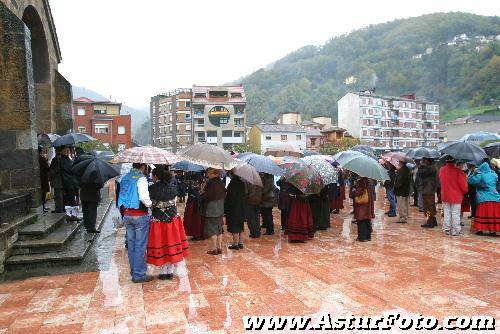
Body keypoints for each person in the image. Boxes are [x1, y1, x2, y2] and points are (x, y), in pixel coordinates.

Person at [147, 167, 189, 280]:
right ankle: (170, 271)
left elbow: (150, 203)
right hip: (172, 219)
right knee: (171, 243)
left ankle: (163, 271)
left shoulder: (152, 188)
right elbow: (173, 203)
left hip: (158, 220)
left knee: (161, 243)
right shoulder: (173, 188)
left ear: (156, 176)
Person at [118, 163, 153, 283]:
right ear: (142, 166)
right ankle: (139, 274)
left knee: (131, 245)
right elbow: (144, 197)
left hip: (127, 214)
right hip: (140, 215)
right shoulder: (141, 178)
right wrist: (151, 205)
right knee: (140, 246)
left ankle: (133, 271)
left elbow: (120, 195)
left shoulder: (125, 177)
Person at [469, 161, 500, 236]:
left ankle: (481, 229)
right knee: (493, 214)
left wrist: (474, 174)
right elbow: (496, 181)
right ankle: (493, 231)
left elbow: (471, 181)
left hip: (484, 197)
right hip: (495, 196)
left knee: (483, 213)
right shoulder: (494, 174)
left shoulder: (481, 175)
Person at [439, 157, 468, 236]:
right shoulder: (459, 172)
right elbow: (464, 188)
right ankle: (455, 230)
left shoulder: (442, 170)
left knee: (447, 212)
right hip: (456, 195)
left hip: (445, 194)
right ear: (455, 161)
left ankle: (446, 229)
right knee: (455, 213)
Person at [200, 168, 226, 255]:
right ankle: (219, 248)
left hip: (211, 209)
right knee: (219, 229)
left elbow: (206, 196)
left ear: (214, 174)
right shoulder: (221, 183)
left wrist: (202, 192)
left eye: (209, 173)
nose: (208, 174)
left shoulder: (210, 183)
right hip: (220, 209)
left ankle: (214, 248)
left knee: (212, 229)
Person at [225, 173, 247, 250]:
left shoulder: (232, 184)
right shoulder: (242, 183)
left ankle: (235, 244)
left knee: (234, 226)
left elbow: (229, 197)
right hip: (241, 207)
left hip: (233, 208)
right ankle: (240, 243)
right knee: (241, 226)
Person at [59, 146, 80, 221]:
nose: (68, 152)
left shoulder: (65, 159)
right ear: (63, 151)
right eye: (67, 150)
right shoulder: (64, 160)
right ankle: (72, 216)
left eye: (68, 150)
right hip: (68, 183)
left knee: (69, 200)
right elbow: (71, 169)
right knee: (71, 200)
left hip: (69, 183)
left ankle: (70, 215)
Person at [351, 177, 375, 242]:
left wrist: (353, 190)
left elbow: (358, 192)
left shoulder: (361, 181)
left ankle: (362, 237)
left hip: (362, 205)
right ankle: (368, 237)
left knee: (361, 220)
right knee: (367, 220)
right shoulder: (371, 182)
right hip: (369, 204)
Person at [183, 172, 206, 240]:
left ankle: (196, 234)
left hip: (193, 202)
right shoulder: (203, 181)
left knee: (193, 219)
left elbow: (188, 190)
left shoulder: (191, 181)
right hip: (200, 202)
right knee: (200, 219)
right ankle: (200, 234)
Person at [418, 158, 438, 228]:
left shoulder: (430, 168)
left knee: (427, 207)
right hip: (429, 189)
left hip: (428, 189)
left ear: (428, 160)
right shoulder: (432, 167)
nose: (423, 161)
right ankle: (433, 220)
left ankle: (430, 221)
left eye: (424, 160)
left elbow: (421, 173)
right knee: (431, 206)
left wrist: (421, 166)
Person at [48, 147, 64, 213]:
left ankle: (58, 208)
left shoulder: (56, 159)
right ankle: (61, 208)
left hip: (57, 179)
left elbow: (56, 169)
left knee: (58, 195)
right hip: (61, 179)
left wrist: (50, 172)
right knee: (60, 194)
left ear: (56, 150)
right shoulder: (62, 158)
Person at [38, 145, 50, 213]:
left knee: (43, 193)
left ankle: (43, 207)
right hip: (43, 178)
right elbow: (47, 168)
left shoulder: (40, 157)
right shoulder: (41, 158)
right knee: (43, 193)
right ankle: (43, 207)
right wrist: (47, 160)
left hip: (42, 177)